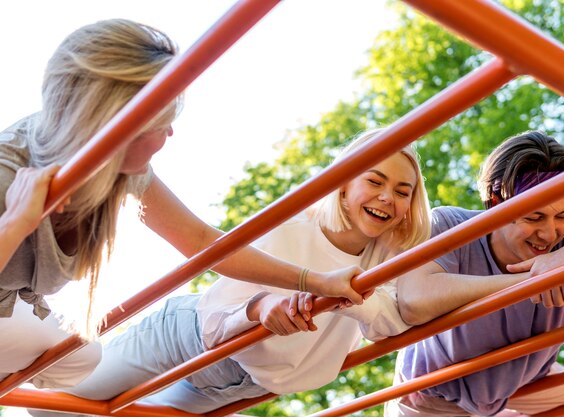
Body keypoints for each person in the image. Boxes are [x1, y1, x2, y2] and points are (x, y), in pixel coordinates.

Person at [0, 18, 366, 389]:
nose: (171, 133)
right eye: (162, 124)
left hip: (11, 307)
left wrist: (316, 280)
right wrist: (15, 225)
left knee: (78, 359)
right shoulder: (8, 175)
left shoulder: (116, 166)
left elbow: (201, 240)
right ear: (116, 127)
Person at [28, 128, 432, 415]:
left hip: (240, 384)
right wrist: (260, 308)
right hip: (190, 338)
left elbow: (393, 322)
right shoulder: (291, 230)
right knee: (53, 406)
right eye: (374, 180)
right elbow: (220, 319)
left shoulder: (392, 257)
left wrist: (353, 296)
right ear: (343, 187)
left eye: (402, 191)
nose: (387, 197)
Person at [387, 131, 564, 417]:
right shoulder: (450, 224)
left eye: (561, 215)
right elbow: (414, 302)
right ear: (496, 204)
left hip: (521, 383)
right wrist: (544, 277)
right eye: (534, 217)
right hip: (435, 394)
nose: (550, 233)